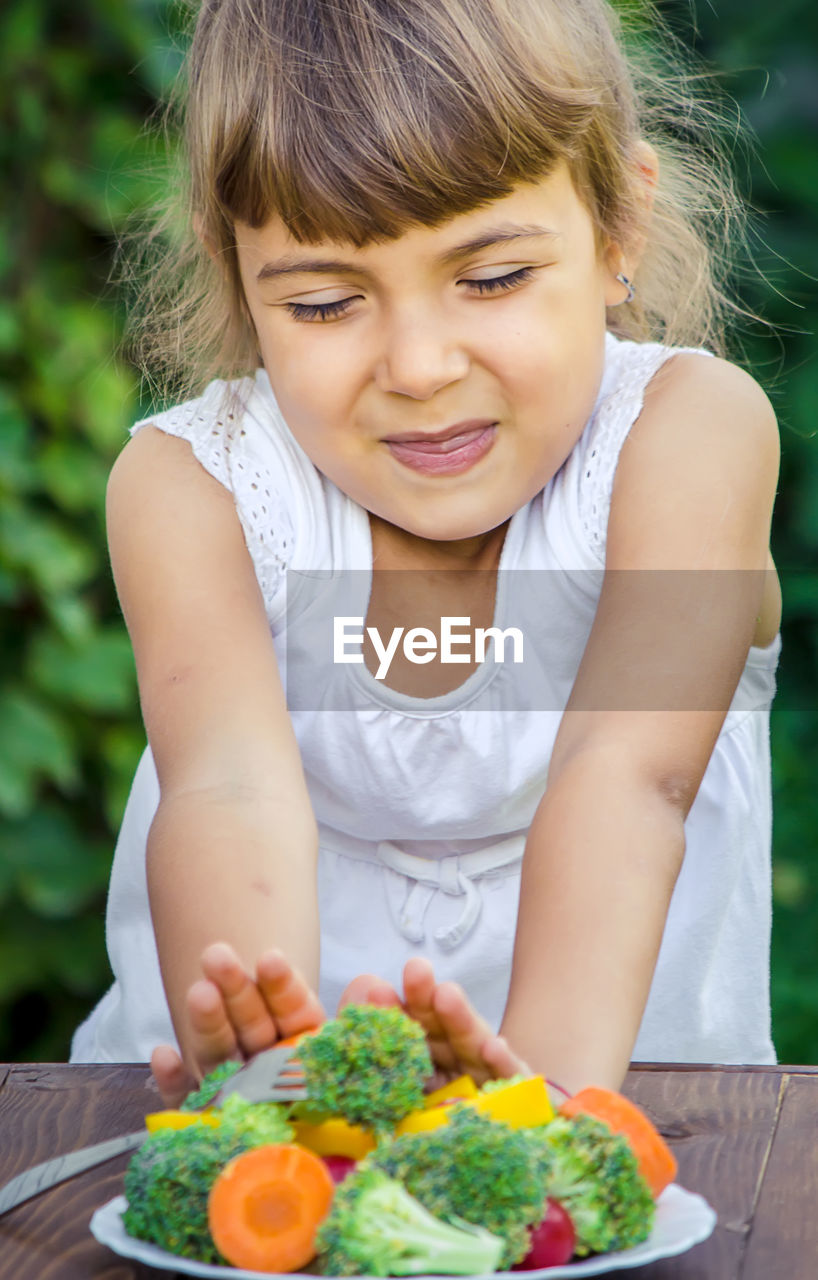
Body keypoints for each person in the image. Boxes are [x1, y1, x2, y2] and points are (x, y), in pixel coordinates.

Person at [71, 0, 781, 1106]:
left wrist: (518, 1122)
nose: (416, 363)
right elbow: (226, 785)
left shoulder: (687, 437)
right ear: (235, 275)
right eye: (322, 302)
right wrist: (276, 1083)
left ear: (615, 233)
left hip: (630, 1124)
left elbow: (626, 774)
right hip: (267, 1130)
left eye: (490, 278)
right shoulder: (191, 485)